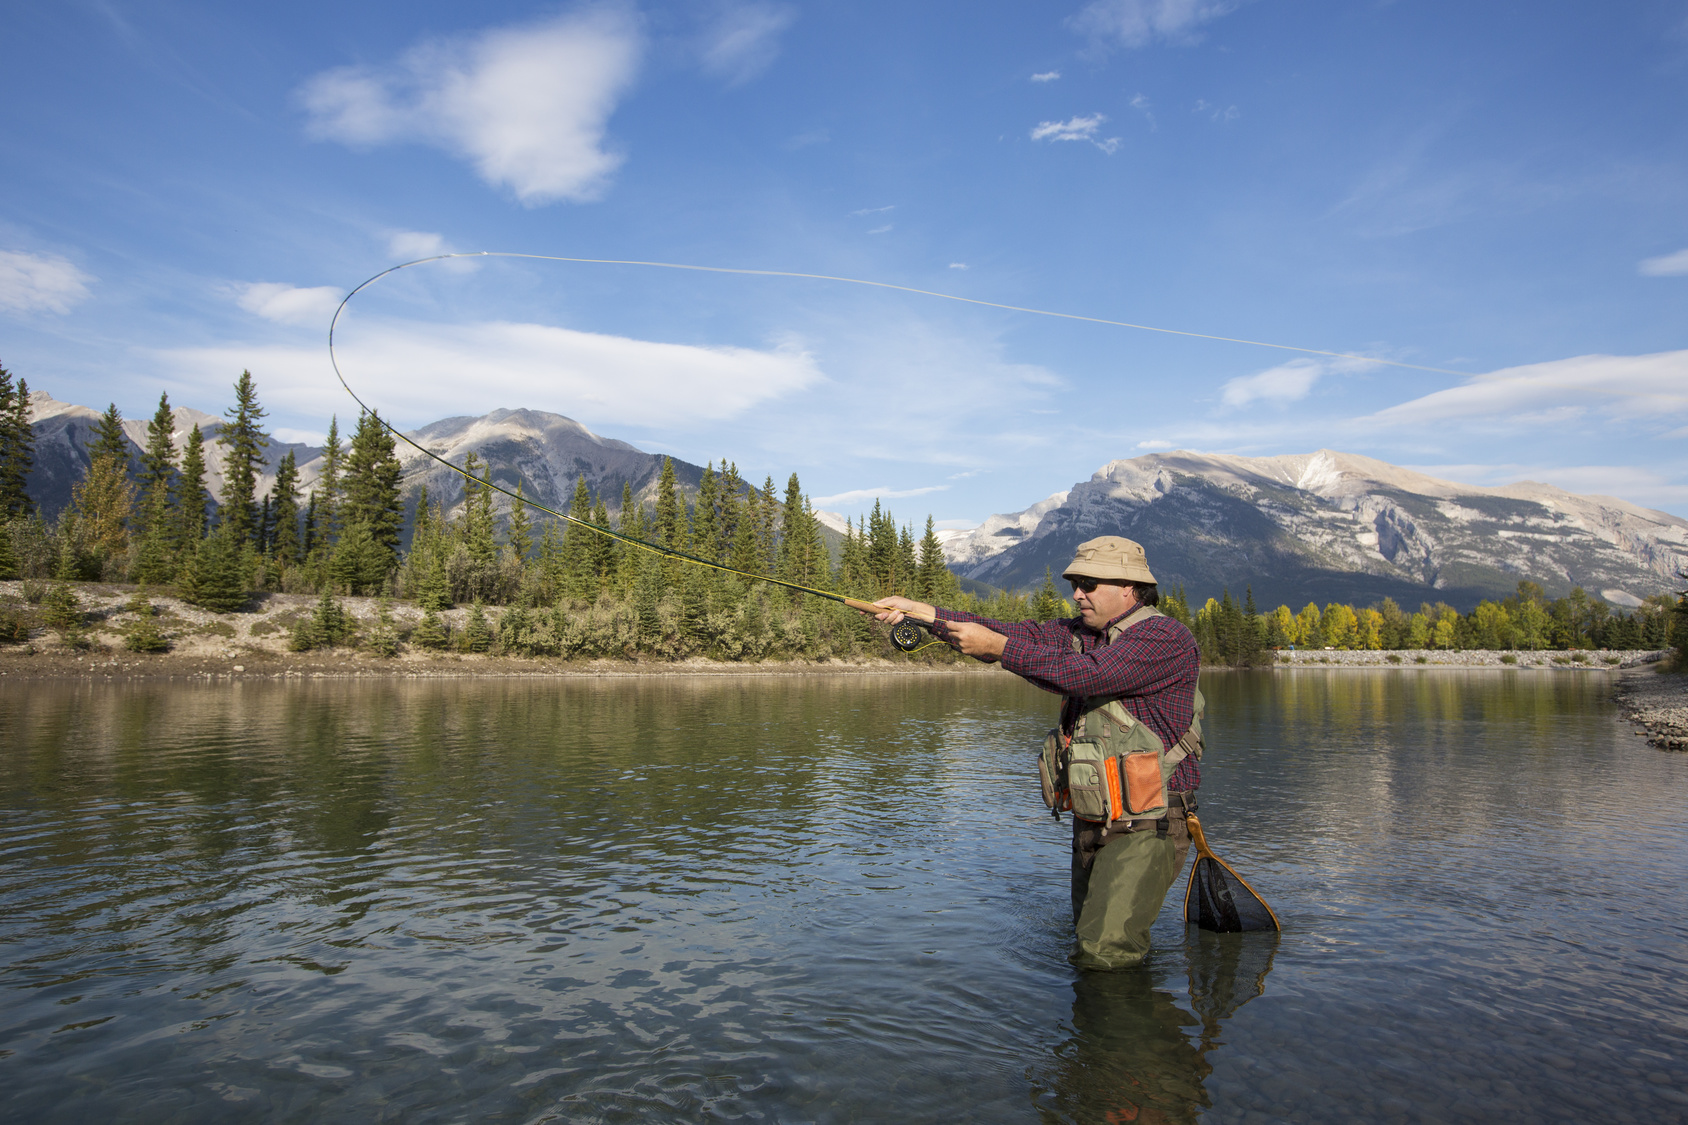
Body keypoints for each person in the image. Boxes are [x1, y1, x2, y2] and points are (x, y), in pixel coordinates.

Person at [868, 535, 1201, 970]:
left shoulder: (1164, 637)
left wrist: (999, 650)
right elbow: (1010, 632)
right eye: (1075, 583)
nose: (1077, 593)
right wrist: (923, 614)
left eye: (1088, 583)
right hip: (1092, 819)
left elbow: (1089, 676)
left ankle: (1125, 1035)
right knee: (1088, 943)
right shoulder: (1081, 634)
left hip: (1149, 823)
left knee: (1105, 955)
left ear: (1129, 587)